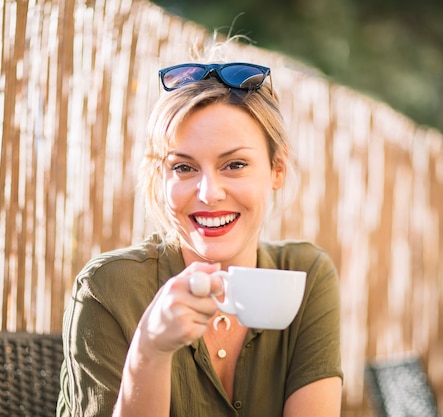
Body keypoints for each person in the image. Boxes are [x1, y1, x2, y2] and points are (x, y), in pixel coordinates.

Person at [57, 48, 343, 417]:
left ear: (278, 169)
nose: (209, 194)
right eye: (184, 167)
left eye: (235, 164)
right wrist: (149, 351)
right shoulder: (106, 290)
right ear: (160, 177)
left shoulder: (306, 276)